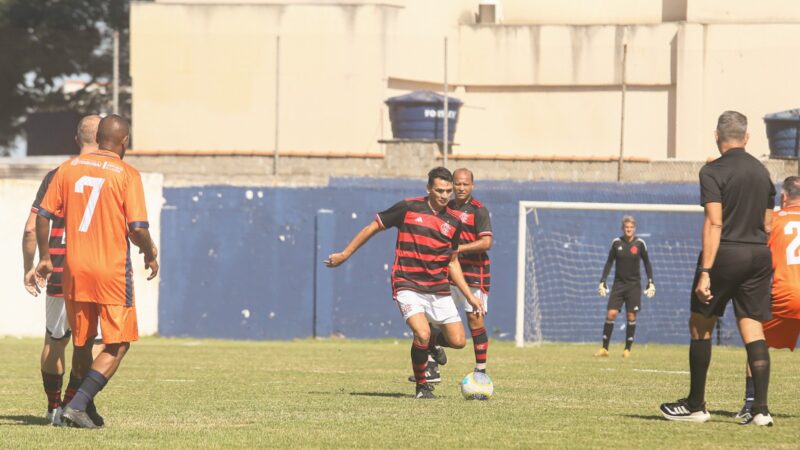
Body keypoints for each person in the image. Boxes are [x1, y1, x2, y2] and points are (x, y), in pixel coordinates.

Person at [34, 114, 159, 428]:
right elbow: (137, 227)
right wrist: (149, 249)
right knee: (118, 343)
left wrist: (46, 257)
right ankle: (76, 404)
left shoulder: (68, 169)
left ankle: (83, 408)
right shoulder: (127, 174)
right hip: (111, 271)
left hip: (74, 269)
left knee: (82, 342)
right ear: (124, 140)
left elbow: (43, 215)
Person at [326, 166, 486, 399]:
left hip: (438, 288)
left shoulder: (453, 221)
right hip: (407, 283)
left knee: (459, 341)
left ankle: (433, 340)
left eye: (448, 191)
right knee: (420, 333)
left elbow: (452, 262)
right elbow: (373, 227)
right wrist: (345, 254)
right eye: (440, 190)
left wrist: (470, 296)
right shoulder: (408, 208)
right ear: (428, 189)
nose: (444, 195)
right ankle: (422, 386)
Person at [660, 111, 776, 426]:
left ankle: (696, 405)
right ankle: (761, 410)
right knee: (753, 327)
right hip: (758, 254)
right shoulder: (763, 173)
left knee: (701, 325)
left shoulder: (712, 171)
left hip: (725, 254)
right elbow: (767, 224)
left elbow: (714, 222)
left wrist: (706, 271)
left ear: (716, 136)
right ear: (747, 137)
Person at [21, 115, 104, 426]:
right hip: (97, 266)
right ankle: (74, 406)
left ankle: (54, 409)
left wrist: (30, 266)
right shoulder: (115, 174)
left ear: (75, 139)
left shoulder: (59, 174)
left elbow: (31, 229)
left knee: (54, 340)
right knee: (89, 342)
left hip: (58, 265)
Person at [735, 176, 800, 421]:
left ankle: (752, 403)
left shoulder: (774, 221)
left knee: (756, 339)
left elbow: (759, 257)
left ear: (783, 197)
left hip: (785, 294)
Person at [595, 216, 655, 358]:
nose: (629, 230)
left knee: (631, 315)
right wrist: (602, 281)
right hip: (618, 285)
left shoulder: (640, 244)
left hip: (634, 285)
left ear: (634, 229)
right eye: (626, 227)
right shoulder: (616, 243)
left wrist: (650, 281)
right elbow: (609, 263)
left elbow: (647, 263)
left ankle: (627, 349)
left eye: (631, 227)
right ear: (623, 228)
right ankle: (605, 348)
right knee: (611, 313)